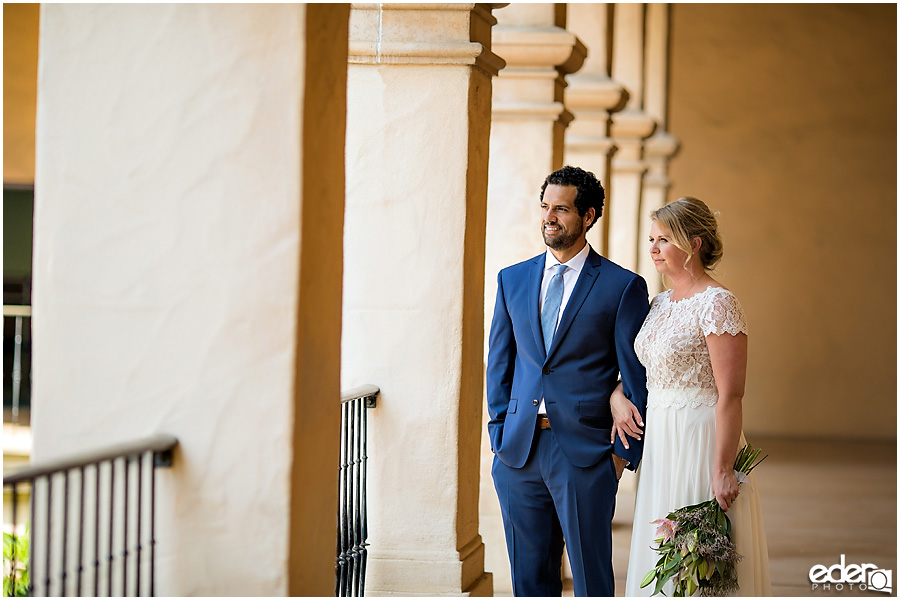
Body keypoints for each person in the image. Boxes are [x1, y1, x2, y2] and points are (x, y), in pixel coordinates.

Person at [486, 165, 650, 596]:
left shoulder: (622, 286)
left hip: (585, 455)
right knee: (529, 580)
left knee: (591, 580)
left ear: (588, 215)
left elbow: (636, 375)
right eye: (545, 207)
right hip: (519, 453)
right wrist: (500, 435)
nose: (549, 217)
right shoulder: (512, 279)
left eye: (561, 209)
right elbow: (499, 365)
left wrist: (618, 457)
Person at [611, 196, 771, 596]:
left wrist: (721, 469)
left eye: (664, 239)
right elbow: (643, 369)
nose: (653, 249)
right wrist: (616, 394)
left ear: (694, 243)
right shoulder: (659, 303)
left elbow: (732, 394)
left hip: (700, 439)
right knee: (662, 548)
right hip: (661, 440)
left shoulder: (719, 303)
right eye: (651, 239)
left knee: (698, 564)